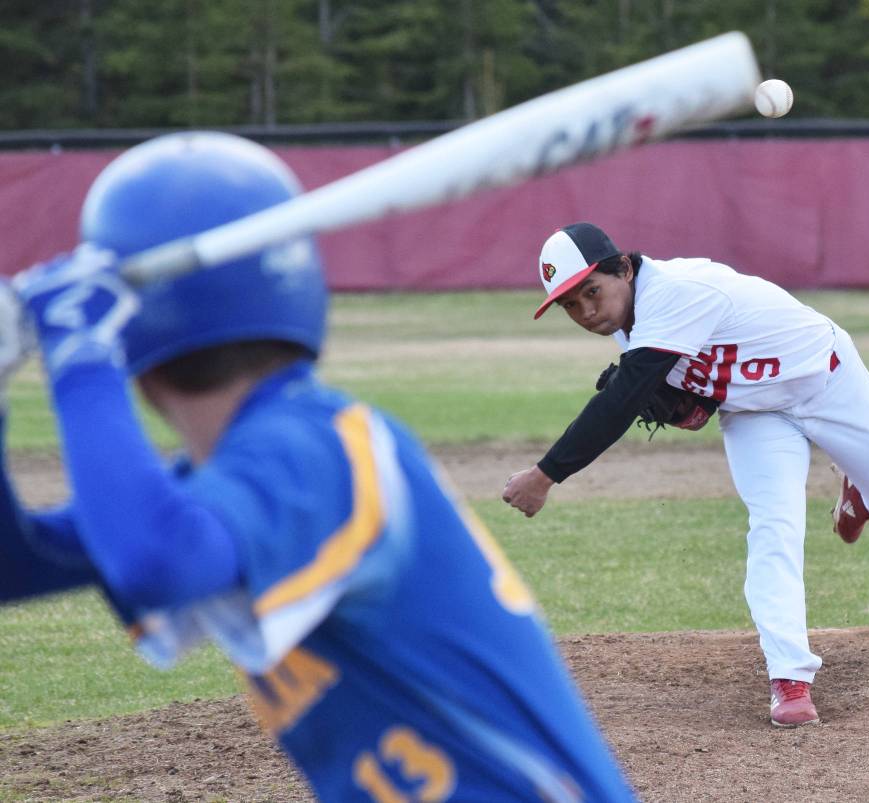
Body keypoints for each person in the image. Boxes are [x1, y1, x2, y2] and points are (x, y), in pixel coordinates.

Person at [0, 136, 637, 802]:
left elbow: (154, 562)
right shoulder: (243, 477)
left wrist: (81, 359)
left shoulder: (318, 452)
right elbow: (17, 561)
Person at [502, 222, 869, 728]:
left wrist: (546, 474)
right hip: (755, 414)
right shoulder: (629, 318)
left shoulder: (676, 293)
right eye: (570, 305)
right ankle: (789, 677)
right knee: (773, 526)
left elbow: (622, 401)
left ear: (623, 267)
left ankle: (859, 493)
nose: (587, 312)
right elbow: (685, 389)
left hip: (828, 381)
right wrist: (695, 404)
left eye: (591, 291)